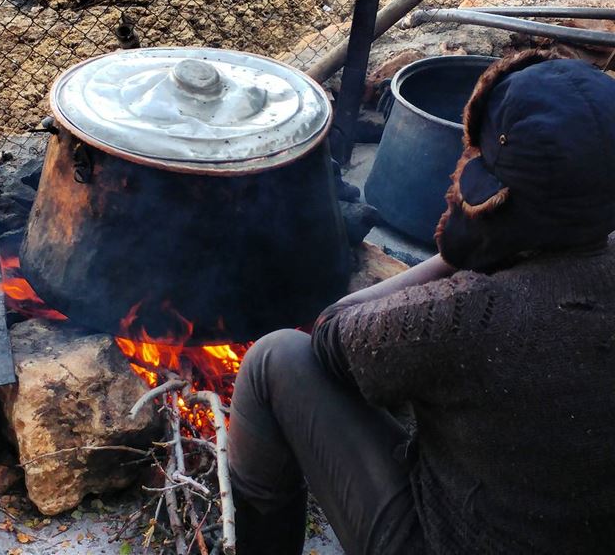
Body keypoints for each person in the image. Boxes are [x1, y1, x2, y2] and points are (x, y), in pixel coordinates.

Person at [227, 49, 615, 555]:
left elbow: (330, 333)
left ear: (490, 199)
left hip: (452, 538)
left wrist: (460, 250)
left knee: (273, 358)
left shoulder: (474, 315)